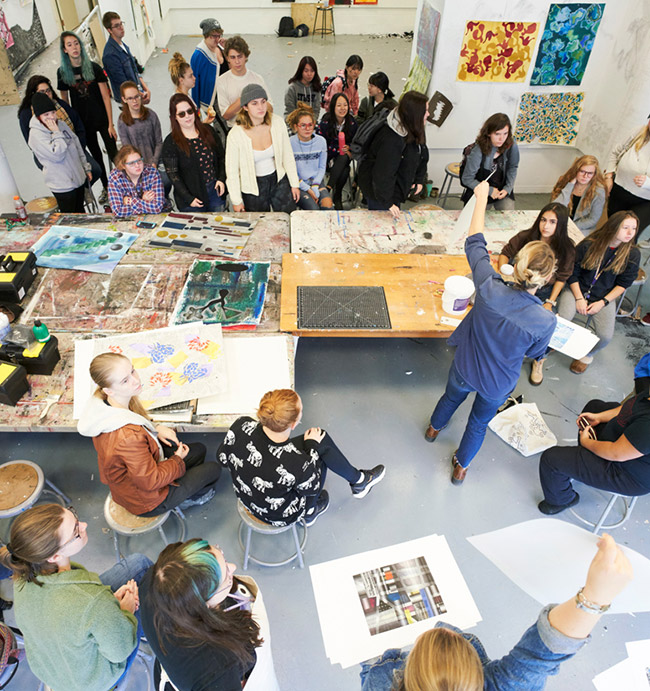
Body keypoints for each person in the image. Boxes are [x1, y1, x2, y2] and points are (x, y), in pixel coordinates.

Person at [360, 533, 633, 691]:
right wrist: (597, 596)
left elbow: (367, 668)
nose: (440, 628)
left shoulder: (380, 681)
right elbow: (541, 654)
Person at [425, 181, 556, 485]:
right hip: (498, 383)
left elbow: (474, 243)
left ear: (518, 264)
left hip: (465, 366)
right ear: (546, 278)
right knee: (478, 424)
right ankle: (461, 467)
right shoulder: (544, 320)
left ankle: (433, 430)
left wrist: (481, 198)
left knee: (450, 398)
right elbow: (536, 354)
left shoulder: (488, 286)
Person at [0, 503, 152, 691]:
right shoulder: (91, 600)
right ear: (55, 556)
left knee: (138, 564)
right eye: (76, 532)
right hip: (91, 681)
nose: (85, 525)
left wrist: (107, 606)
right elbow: (119, 651)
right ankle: (158, 630)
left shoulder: (23, 575)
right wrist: (124, 612)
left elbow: (77, 609)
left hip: (55, 666)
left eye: (75, 516)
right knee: (150, 605)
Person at [77, 352, 221, 516]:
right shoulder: (127, 438)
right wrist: (177, 460)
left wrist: (155, 428)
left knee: (200, 449)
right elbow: (150, 481)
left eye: (132, 371)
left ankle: (181, 484)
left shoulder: (110, 403)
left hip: (142, 473)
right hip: (148, 500)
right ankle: (189, 499)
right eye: (125, 381)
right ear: (108, 390)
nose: (135, 380)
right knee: (213, 469)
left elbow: (134, 420)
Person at [217, 389, 385, 527]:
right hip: (279, 516)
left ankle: (360, 481)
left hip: (247, 499)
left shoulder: (241, 424)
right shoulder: (296, 464)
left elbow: (222, 458)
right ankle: (310, 512)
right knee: (320, 448)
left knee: (318, 441)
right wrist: (311, 446)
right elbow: (312, 487)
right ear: (293, 424)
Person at [139, 539, 280, 691]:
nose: (233, 567)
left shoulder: (151, 582)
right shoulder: (218, 669)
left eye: (223, 557)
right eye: (227, 577)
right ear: (202, 605)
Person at [497, 203, 576, 385]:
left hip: (545, 292)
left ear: (561, 225)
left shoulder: (567, 249)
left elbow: (562, 278)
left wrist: (550, 301)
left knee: (549, 324)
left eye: (552, 222)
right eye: (543, 220)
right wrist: (504, 270)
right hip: (520, 286)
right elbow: (506, 252)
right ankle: (505, 351)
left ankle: (539, 359)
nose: (546, 226)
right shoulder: (526, 236)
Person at [538, 388, 650, 514]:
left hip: (627, 473)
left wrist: (587, 442)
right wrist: (599, 417)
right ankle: (582, 460)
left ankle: (562, 500)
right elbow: (629, 408)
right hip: (625, 447)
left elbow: (616, 453)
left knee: (551, 460)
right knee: (594, 407)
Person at [557, 211, 640, 374]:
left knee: (605, 336)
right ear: (614, 227)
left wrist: (603, 302)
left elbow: (623, 284)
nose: (630, 233)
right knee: (564, 318)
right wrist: (579, 298)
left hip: (604, 297)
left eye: (634, 228)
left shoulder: (632, 253)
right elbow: (572, 272)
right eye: (625, 228)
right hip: (577, 289)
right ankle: (552, 345)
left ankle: (586, 356)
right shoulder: (589, 244)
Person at [57, 30, 117, 203]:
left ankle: (123, 185)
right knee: (96, 158)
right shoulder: (63, 73)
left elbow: (106, 97)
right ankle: (107, 188)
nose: (74, 47)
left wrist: (111, 124)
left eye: (76, 43)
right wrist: (71, 128)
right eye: (69, 45)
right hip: (84, 124)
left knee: (114, 154)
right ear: (65, 49)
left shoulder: (94, 68)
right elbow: (64, 102)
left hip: (102, 120)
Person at [225, 84, 299, 213]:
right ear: (245, 107)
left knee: (288, 217)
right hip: (253, 186)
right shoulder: (235, 134)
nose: (260, 107)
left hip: (278, 179)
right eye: (254, 103)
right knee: (259, 224)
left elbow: (288, 155)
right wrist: (236, 201)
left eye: (263, 102)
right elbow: (232, 172)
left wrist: (294, 183)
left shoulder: (277, 122)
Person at [357, 90, 429, 220]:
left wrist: (419, 178)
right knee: (382, 225)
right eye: (425, 111)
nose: (428, 114)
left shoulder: (414, 127)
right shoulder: (391, 139)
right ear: (416, 114)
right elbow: (383, 174)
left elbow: (422, 153)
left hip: (394, 186)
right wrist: (388, 203)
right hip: (379, 191)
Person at [18, 74, 102, 185]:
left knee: (95, 170)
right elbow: (33, 144)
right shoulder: (26, 114)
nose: (47, 94)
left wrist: (78, 147)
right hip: (49, 154)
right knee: (66, 178)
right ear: (33, 94)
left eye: (48, 90)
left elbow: (79, 128)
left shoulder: (61, 105)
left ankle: (82, 189)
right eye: (42, 92)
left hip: (71, 146)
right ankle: (75, 190)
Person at [28, 92, 92, 213]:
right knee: (68, 217)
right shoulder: (36, 135)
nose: (51, 117)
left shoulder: (61, 124)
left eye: (53, 112)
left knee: (80, 213)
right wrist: (56, 133)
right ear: (38, 117)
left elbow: (77, 145)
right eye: (46, 114)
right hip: (62, 186)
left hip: (77, 179)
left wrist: (86, 168)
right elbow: (57, 154)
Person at [162, 93, 226, 212]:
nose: (187, 116)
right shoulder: (170, 142)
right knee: (197, 230)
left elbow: (221, 158)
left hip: (215, 192)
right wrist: (188, 198)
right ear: (174, 117)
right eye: (181, 114)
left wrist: (221, 179)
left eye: (189, 111)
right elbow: (173, 175)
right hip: (191, 199)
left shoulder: (208, 131)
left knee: (218, 227)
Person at [604, 117, 650, 244]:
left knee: (628, 235)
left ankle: (621, 262)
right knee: (612, 229)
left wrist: (648, 183)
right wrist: (609, 175)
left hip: (645, 201)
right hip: (619, 190)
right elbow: (615, 152)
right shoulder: (638, 132)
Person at [460, 112, 520, 210]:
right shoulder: (478, 150)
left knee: (508, 217)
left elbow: (513, 167)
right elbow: (467, 179)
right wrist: (490, 191)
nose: (502, 138)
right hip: (481, 190)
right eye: (497, 134)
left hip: (502, 189)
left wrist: (507, 189)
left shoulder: (512, 146)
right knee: (476, 220)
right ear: (488, 133)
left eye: (505, 133)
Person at [216, 36, 272, 126]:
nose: (237, 61)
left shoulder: (257, 78)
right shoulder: (221, 81)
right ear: (227, 58)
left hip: (257, 127)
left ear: (246, 56)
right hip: (235, 129)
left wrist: (257, 101)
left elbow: (270, 108)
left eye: (240, 56)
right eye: (233, 57)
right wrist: (245, 98)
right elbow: (226, 115)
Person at [317, 92, 358, 210]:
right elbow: (321, 142)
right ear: (333, 106)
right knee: (345, 170)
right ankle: (336, 196)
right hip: (327, 156)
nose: (342, 108)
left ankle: (329, 189)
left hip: (343, 156)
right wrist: (335, 149)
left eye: (345, 105)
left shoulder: (352, 123)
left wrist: (349, 148)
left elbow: (357, 142)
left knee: (344, 157)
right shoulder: (326, 121)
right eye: (339, 105)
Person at [287, 102, 332, 210]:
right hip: (300, 184)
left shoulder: (321, 142)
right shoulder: (290, 143)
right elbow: (291, 171)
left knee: (328, 205)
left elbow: (322, 168)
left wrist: (316, 185)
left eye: (310, 125)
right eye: (303, 125)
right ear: (295, 127)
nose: (307, 128)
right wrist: (308, 189)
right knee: (313, 209)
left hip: (316, 181)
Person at [101, 12, 150, 104]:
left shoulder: (123, 46)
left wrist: (146, 89)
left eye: (121, 24)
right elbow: (123, 83)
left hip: (136, 93)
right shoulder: (110, 55)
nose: (121, 27)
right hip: (127, 100)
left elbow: (135, 71)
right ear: (109, 30)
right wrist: (139, 95)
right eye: (116, 26)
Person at [107, 145, 169, 217]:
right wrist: (143, 200)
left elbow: (157, 207)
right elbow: (118, 211)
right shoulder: (115, 177)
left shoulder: (152, 172)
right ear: (123, 166)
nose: (137, 165)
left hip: (157, 216)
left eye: (139, 161)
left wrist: (130, 201)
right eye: (131, 163)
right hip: (129, 219)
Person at [551, 155, 607, 234]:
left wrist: (570, 226)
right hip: (560, 222)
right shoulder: (566, 181)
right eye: (582, 171)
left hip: (582, 227)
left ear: (594, 174)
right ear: (576, 170)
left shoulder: (599, 191)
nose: (585, 176)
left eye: (590, 173)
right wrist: (570, 185)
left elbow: (593, 219)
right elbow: (555, 206)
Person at [190, 18, 228, 119]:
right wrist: (196, 108)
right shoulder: (199, 55)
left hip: (226, 95)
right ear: (206, 36)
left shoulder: (219, 47)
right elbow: (194, 83)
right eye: (214, 36)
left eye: (219, 35)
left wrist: (226, 49)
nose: (217, 39)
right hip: (213, 100)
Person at [284, 56, 322, 123]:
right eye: (306, 71)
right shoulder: (292, 89)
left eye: (312, 71)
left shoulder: (316, 88)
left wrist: (311, 123)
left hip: (311, 123)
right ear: (301, 71)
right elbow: (290, 111)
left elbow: (316, 110)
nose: (309, 74)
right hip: (293, 123)